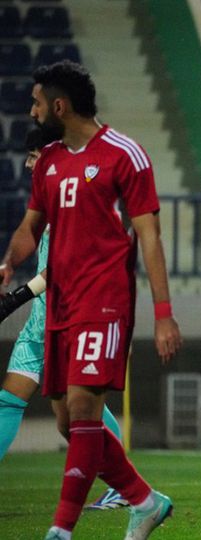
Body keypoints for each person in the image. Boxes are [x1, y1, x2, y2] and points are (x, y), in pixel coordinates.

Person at [0, 60, 182, 539]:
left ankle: (60, 530)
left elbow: (150, 237)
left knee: (82, 407)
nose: (33, 110)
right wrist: (7, 263)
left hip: (104, 300)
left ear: (59, 106)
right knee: (68, 422)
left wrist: (164, 315)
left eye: (38, 102)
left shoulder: (126, 154)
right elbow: (29, 227)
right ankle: (144, 501)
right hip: (59, 303)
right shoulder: (52, 161)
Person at [0, 129, 129, 511]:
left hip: (74, 317)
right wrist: (9, 270)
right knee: (11, 398)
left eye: (34, 155)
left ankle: (126, 487)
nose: (27, 164)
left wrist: (18, 297)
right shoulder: (54, 197)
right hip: (44, 320)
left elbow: (65, 267)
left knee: (82, 409)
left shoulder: (83, 196)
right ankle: (125, 487)